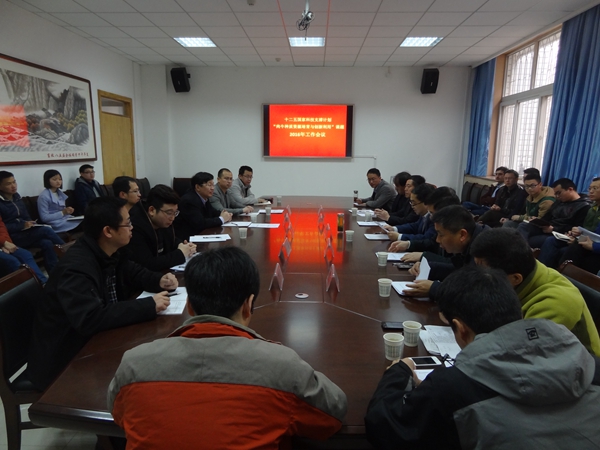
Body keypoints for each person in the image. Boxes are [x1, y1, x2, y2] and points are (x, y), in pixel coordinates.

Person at [108, 247, 347, 449]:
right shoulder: (282, 367)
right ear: (248, 305)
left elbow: (119, 414)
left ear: (189, 305)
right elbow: (333, 413)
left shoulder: (133, 364)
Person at [365, 265, 600, 449]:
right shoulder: (590, 362)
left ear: (460, 329)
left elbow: (384, 427)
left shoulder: (452, 387)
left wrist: (399, 372)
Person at [27, 197, 177, 390]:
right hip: (65, 358)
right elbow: (90, 317)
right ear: (108, 231)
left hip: (96, 339)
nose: (132, 227)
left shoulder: (109, 250)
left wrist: (159, 280)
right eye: (127, 224)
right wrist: (148, 305)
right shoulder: (76, 268)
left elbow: (133, 272)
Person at [470, 227, 600, 356]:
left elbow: (518, 356)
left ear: (516, 278)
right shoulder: (525, 270)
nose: (478, 277)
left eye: (484, 273)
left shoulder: (554, 304)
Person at [402, 205, 488, 300]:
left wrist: (435, 289)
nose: (437, 240)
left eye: (441, 235)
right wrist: (428, 268)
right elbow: (460, 270)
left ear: (462, 235)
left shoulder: (486, 249)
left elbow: (478, 293)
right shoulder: (471, 240)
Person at [0, 171, 64, 274]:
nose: (13, 186)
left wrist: (30, 223)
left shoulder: (16, 197)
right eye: (8, 184)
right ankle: (70, 254)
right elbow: (3, 227)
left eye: (14, 182)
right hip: (13, 236)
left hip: (25, 233)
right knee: (46, 231)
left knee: (47, 243)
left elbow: (25, 216)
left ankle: (54, 274)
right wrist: (22, 225)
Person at [126, 184, 196, 271]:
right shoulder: (134, 227)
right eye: (169, 213)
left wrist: (182, 245)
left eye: (175, 212)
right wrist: (180, 254)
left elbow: (170, 239)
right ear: (152, 210)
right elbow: (147, 264)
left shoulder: (162, 221)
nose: (173, 218)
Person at [539, 177, 600, 270]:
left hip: (592, 245)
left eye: (595, 188)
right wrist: (577, 233)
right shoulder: (593, 209)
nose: (591, 191)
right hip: (583, 240)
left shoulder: (585, 206)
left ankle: (555, 274)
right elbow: (588, 229)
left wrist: (592, 246)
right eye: (590, 188)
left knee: (572, 249)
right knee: (548, 239)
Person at [515, 178, 590, 249]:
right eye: (555, 194)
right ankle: (520, 251)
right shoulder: (559, 202)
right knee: (523, 226)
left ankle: (521, 251)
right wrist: (538, 221)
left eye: (559, 193)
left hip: (560, 233)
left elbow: (576, 228)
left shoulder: (583, 206)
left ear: (570, 189)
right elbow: (548, 216)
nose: (557, 196)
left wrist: (554, 229)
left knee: (528, 240)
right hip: (547, 228)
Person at [174, 172, 233, 240]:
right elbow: (200, 223)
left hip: (201, 235)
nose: (212, 188)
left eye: (213, 185)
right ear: (198, 187)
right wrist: (222, 219)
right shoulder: (189, 201)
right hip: (187, 239)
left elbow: (212, 212)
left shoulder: (204, 197)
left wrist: (225, 214)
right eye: (209, 185)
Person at [386, 183, 436, 252]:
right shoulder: (424, 215)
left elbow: (426, 238)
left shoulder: (434, 218)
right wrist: (394, 228)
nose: (412, 206)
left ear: (426, 203)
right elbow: (415, 226)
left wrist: (400, 236)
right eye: (411, 202)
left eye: (414, 203)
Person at [0, 215, 47, 283]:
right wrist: (3, 242)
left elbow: (1, 227)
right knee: (13, 261)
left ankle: (43, 283)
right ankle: (31, 286)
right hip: (2, 243)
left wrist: (6, 243)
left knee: (26, 254)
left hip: (3, 243)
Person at [38, 169, 82, 233]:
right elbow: (44, 218)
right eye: (54, 179)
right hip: (55, 223)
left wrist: (68, 211)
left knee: (88, 221)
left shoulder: (59, 193)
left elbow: (62, 210)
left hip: (65, 219)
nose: (58, 181)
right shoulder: (43, 196)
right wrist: (63, 212)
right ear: (47, 181)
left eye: (60, 179)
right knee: (85, 225)